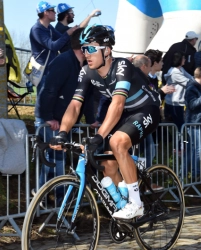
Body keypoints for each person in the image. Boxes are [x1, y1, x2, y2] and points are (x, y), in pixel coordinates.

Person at [50, 24, 161, 219]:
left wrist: (99, 136)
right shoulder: (86, 72)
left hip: (146, 109)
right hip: (125, 114)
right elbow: (75, 105)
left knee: (116, 142)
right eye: (84, 49)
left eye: (91, 48)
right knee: (108, 167)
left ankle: (136, 203)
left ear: (107, 50)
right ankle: (124, 208)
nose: (86, 54)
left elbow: (117, 104)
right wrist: (62, 134)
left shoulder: (122, 66)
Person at [33, 28, 88, 192]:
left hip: (63, 119)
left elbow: (87, 96)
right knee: (54, 159)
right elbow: (49, 90)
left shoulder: (83, 66)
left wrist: (92, 120)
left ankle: (51, 195)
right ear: (83, 46)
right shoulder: (63, 61)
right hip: (52, 119)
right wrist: (49, 117)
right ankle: (47, 194)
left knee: (58, 159)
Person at [30, 1, 77, 94]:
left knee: (51, 100)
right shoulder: (37, 29)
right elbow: (53, 46)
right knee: (43, 101)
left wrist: (75, 32)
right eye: (52, 10)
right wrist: (68, 33)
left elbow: (62, 39)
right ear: (46, 12)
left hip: (50, 69)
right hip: (42, 72)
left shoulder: (49, 27)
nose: (55, 12)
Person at [164, 51, 194, 131]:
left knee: (180, 125)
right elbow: (188, 83)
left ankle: (180, 141)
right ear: (179, 60)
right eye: (183, 58)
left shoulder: (181, 69)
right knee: (179, 125)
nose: (185, 60)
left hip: (178, 101)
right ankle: (181, 142)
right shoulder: (175, 72)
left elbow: (191, 78)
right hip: (174, 102)